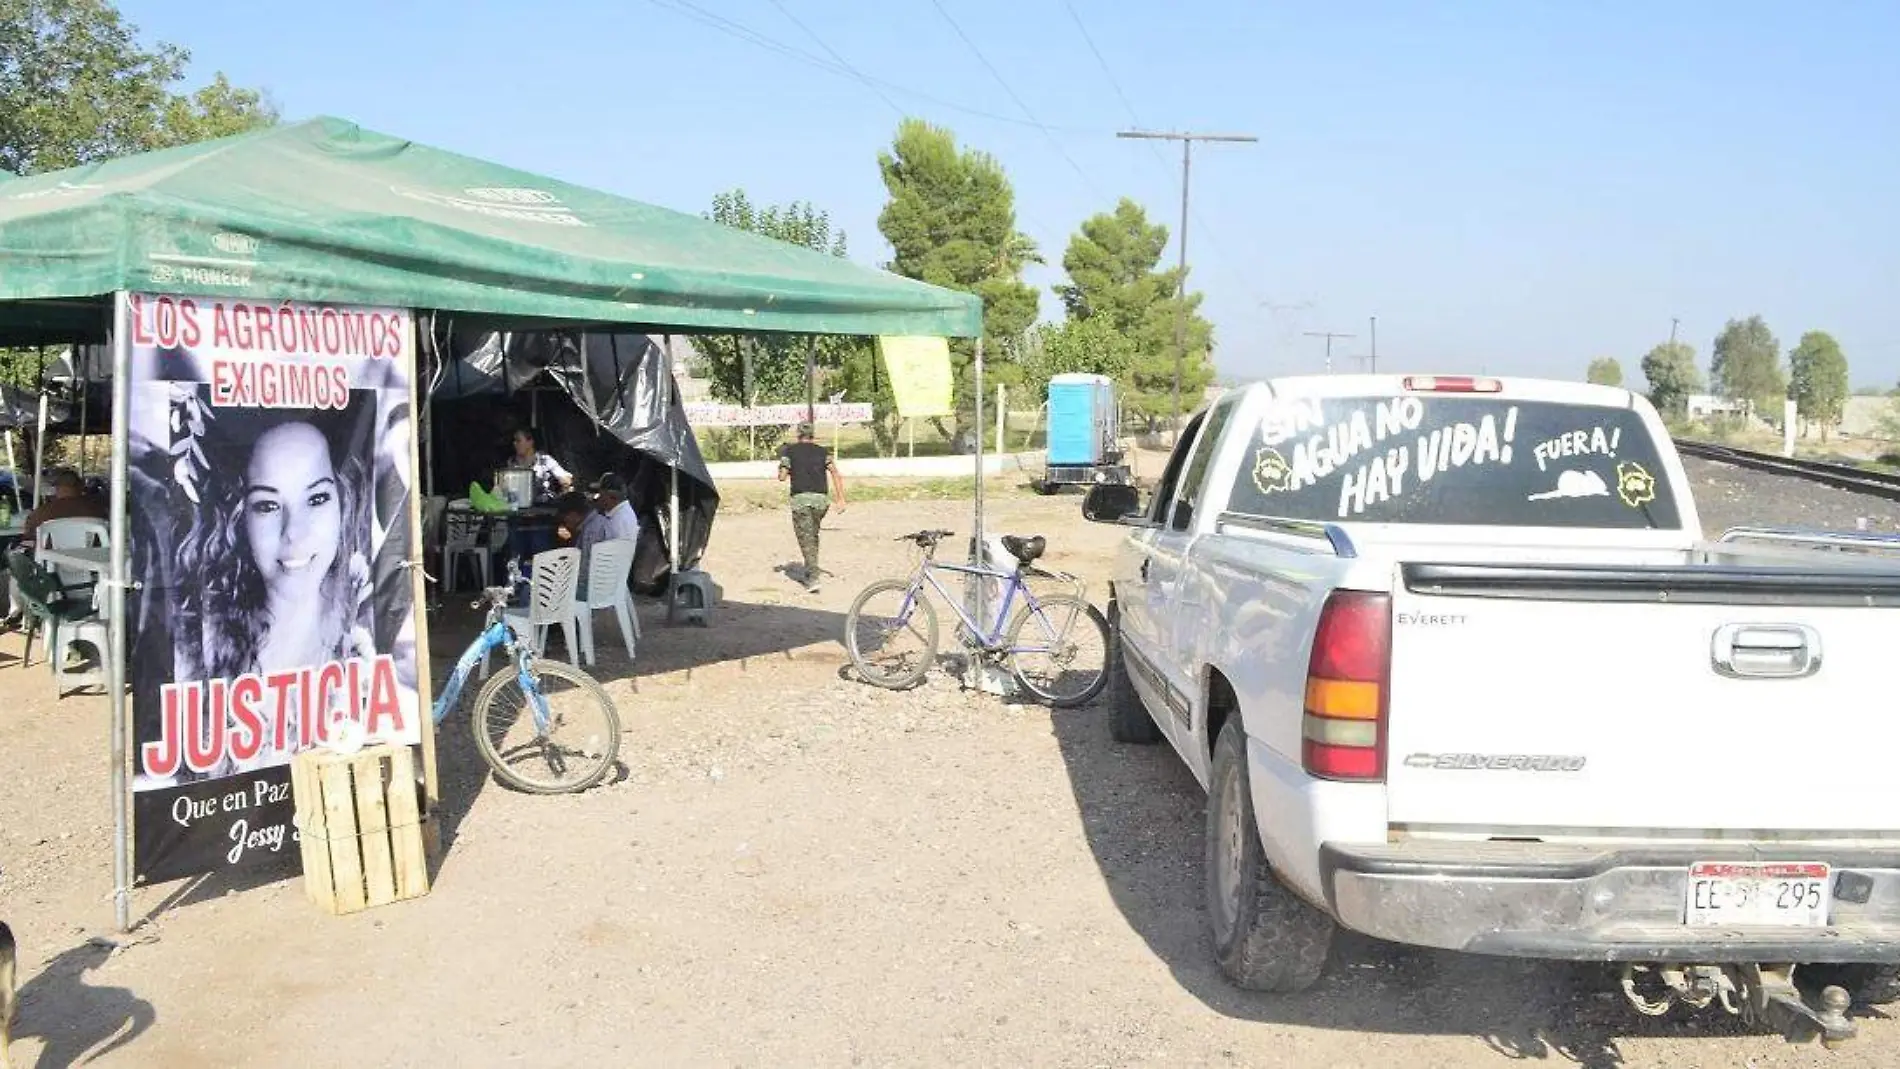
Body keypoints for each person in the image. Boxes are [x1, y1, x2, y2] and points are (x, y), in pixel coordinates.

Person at [174, 412, 374, 773]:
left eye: (316, 499)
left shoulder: (365, 628)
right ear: (240, 518)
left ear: (342, 502)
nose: (293, 533)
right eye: (267, 505)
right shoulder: (199, 646)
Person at [777, 422, 847, 593]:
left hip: (801, 500)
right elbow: (835, 473)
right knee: (812, 535)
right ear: (813, 435)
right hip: (821, 501)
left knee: (805, 538)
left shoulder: (790, 451)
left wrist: (783, 465)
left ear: (798, 434)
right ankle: (812, 568)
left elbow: (781, 477)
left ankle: (813, 578)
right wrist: (840, 499)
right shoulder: (823, 452)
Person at [22, 467, 107, 543]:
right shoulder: (98, 510)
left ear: (57, 488)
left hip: (51, 559)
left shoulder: (40, 514)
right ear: (81, 487)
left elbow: (29, 539)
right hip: (91, 558)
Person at [555, 490, 610, 599]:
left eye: (565, 517)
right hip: (606, 584)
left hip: (592, 589)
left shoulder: (591, 531)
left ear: (574, 514)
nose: (565, 523)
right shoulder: (600, 521)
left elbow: (585, 569)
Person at [506, 427, 573, 504]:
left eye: (518, 440)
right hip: (518, 505)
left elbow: (565, 478)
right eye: (514, 441)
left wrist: (564, 482)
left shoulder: (544, 459)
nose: (514, 443)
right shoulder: (512, 462)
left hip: (542, 505)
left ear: (530, 442)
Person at [590, 472, 640, 544]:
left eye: (601, 494)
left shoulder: (621, 520)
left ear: (612, 496)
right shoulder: (618, 513)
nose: (599, 498)